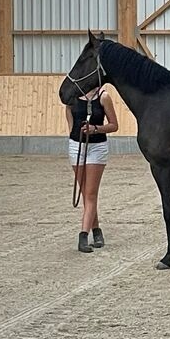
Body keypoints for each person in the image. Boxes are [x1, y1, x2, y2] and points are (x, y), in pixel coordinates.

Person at [66, 84, 119, 253]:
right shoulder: (72, 96)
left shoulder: (103, 97)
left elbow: (114, 125)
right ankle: (97, 231)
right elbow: (68, 112)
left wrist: (95, 129)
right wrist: (72, 132)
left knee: (90, 194)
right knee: (85, 193)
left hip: (96, 147)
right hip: (77, 146)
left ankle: (83, 235)